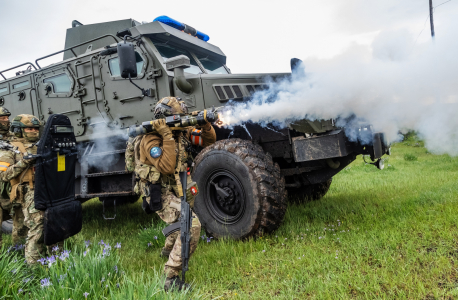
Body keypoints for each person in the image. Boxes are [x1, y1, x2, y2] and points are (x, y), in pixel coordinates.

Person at [125, 97, 216, 291]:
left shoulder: (180, 132)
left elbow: (207, 141)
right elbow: (166, 167)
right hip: (159, 191)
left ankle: (168, 250)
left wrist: (206, 125)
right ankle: (171, 277)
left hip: (178, 185)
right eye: (179, 117)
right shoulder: (150, 140)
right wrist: (166, 136)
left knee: (183, 216)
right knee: (190, 224)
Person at [0, 114, 61, 264]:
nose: (33, 131)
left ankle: (57, 258)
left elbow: (59, 168)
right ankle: (32, 265)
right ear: (19, 130)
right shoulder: (11, 148)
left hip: (48, 189)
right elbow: (4, 175)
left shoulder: (42, 145)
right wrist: (25, 162)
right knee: (32, 227)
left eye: (35, 128)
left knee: (54, 223)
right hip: (26, 191)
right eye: (29, 128)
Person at [0, 108, 28, 248]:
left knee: (20, 223)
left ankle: (19, 251)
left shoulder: (14, 137)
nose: (6, 121)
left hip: (13, 186)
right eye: (2, 118)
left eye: (6, 118)